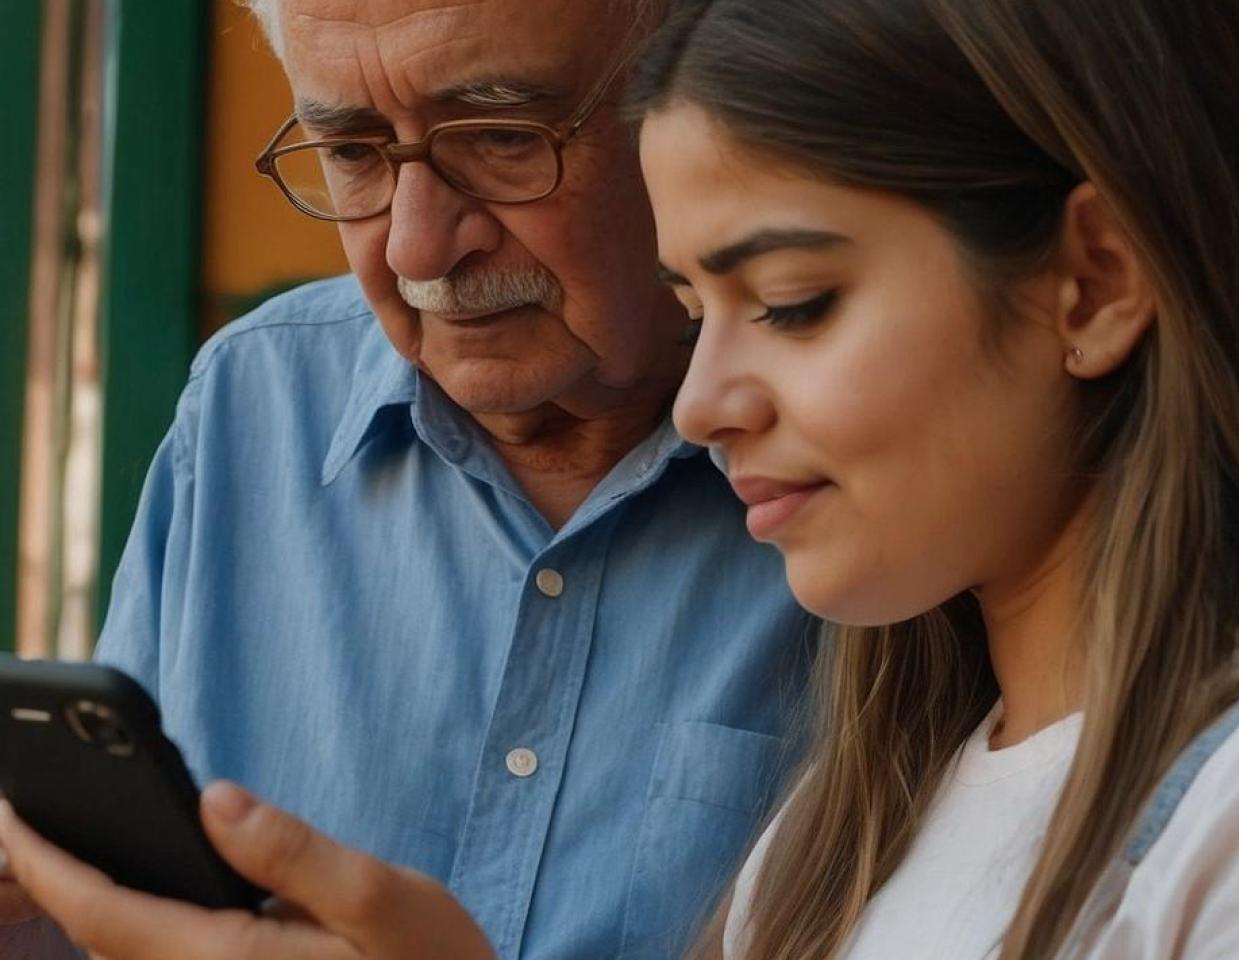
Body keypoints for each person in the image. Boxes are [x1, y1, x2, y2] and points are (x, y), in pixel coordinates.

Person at [4, 0, 1239, 957]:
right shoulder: (875, 810)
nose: (715, 393)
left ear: (1097, 280)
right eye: (696, 304)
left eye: (792, 302)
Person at [0, 1, 814, 959]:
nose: (416, 249)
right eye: (349, 151)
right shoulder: (252, 399)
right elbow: (99, 911)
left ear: (713, 94)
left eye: (505, 137)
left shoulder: (867, 471)